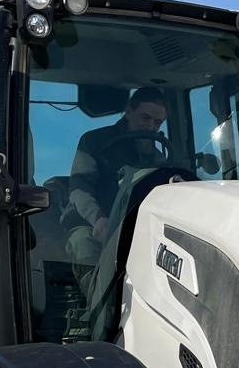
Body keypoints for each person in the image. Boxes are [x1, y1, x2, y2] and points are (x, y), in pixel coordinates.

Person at [66, 86, 168, 264]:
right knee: (82, 243)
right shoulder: (93, 142)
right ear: (129, 111)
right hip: (92, 223)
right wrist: (98, 219)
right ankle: (99, 293)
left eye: (157, 122)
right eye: (145, 117)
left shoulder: (159, 159)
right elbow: (79, 189)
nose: (151, 126)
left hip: (138, 227)